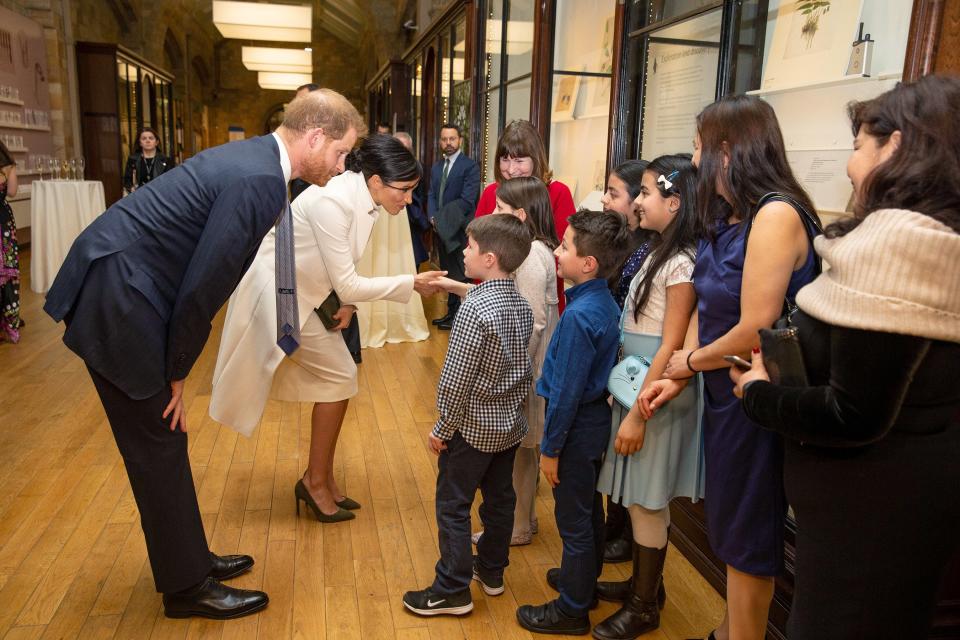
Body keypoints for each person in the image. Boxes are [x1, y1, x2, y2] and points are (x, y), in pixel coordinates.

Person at [42, 89, 364, 619]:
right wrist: (176, 374)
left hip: (127, 283)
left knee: (165, 441)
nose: (341, 164)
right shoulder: (262, 179)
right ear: (315, 137)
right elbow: (203, 288)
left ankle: (190, 561)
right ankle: (187, 587)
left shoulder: (260, 164)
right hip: (119, 296)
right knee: (158, 442)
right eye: (340, 152)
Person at [730, 75, 960, 640]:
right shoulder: (938, 237)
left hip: (871, 507)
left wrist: (759, 392)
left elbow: (854, 413)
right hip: (902, 496)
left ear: (897, 147)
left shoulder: (898, 243)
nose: (851, 165)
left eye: (859, 146)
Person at [641, 95, 819, 640]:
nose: (692, 161)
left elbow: (752, 328)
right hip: (726, 393)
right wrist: (679, 373)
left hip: (755, 398)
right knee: (734, 529)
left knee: (748, 534)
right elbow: (708, 304)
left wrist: (687, 362)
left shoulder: (776, 215)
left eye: (698, 147)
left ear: (726, 149)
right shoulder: (732, 216)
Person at [210, 135, 444, 523]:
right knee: (340, 376)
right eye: (404, 191)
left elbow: (342, 267)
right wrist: (410, 283)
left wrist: (348, 303)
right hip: (279, 296)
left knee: (341, 377)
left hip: (305, 292)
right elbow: (348, 278)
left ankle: (320, 478)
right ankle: (315, 482)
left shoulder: (360, 198)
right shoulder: (333, 202)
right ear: (375, 181)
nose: (408, 201)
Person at [592, 155, 705, 640]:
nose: (637, 202)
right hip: (639, 379)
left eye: (645, 194)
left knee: (647, 501)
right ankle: (647, 588)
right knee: (639, 497)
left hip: (654, 389)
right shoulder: (660, 250)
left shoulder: (680, 262)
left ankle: (644, 606)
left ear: (674, 203)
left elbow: (671, 342)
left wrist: (639, 410)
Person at [402, 213, 534, 616]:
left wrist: (442, 428)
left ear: (490, 259)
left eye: (472, 247)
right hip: (509, 427)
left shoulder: (475, 310)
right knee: (499, 498)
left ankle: (452, 588)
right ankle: (491, 571)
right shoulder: (521, 305)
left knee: (452, 503)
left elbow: (456, 379)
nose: (465, 252)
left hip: (472, 430)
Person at [516, 211, 632, 635]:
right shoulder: (603, 302)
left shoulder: (580, 317)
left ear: (588, 264)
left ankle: (572, 608)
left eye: (565, 246)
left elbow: (564, 394)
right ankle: (582, 580)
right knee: (589, 513)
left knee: (574, 521)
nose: (557, 252)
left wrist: (551, 450)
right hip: (594, 422)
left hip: (577, 428)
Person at [438, 177, 559, 548]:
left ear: (521, 215)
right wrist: (453, 287)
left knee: (523, 453)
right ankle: (521, 523)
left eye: (501, 209)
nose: (493, 212)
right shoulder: (520, 255)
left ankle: (519, 526)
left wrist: (509, 372)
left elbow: (535, 323)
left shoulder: (534, 258)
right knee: (517, 453)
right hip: (517, 372)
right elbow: (500, 293)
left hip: (526, 370)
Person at [599, 158, 650, 563]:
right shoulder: (622, 240)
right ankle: (614, 524)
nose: (604, 199)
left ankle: (626, 533)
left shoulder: (650, 248)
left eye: (614, 193)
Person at [475, 120, 575, 312]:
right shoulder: (491, 193)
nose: (511, 170)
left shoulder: (558, 193)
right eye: (505, 160)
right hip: (494, 297)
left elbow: (564, 252)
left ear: (536, 159)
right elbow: (477, 247)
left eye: (519, 161)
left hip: (540, 300)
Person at [428, 123, 481, 329]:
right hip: (440, 229)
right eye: (444, 139)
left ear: (460, 140)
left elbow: (467, 200)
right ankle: (451, 314)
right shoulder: (436, 167)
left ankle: (461, 317)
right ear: (440, 141)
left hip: (459, 229)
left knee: (461, 273)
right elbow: (431, 194)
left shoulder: (470, 166)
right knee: (447, 271)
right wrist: (433, 217)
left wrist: (442, 220)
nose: (448, 143)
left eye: (452, 139)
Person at [394, 131, 431, 267]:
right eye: (399, 148)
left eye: (406, 149)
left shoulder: (417, 169)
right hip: (388, 222)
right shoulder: (384, 169)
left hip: (411, 226)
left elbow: (422, 196)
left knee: (411, 264)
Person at [0, 140, 22, 343]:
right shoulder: (7, 164)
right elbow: (12, 192)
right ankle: (10, 322)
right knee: (7, 273)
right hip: (3, 221)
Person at [122, 127, 172, 193]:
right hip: (139, 196)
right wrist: (131, 189)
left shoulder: (165, 160)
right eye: (144, 138)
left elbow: (170, 180)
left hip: (159, 196)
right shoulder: (133, 159)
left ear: (156, 142)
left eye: (151, 138)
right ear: (140, 143)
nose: (147, 141)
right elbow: (127, 180)